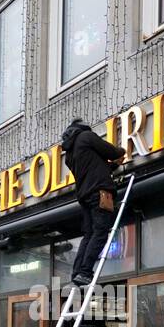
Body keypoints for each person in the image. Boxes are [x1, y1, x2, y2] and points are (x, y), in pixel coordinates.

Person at [61, 117, 126, 287]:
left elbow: (93, 168)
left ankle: (77, 273)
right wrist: (121, 151)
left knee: (89, 234)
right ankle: (85, 272)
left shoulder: (69, 154)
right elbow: (112, 152)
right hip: (99, 192)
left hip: (85, 196)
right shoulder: (86, 137)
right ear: (83, 127)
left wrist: (112, 167)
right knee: (100, 233)